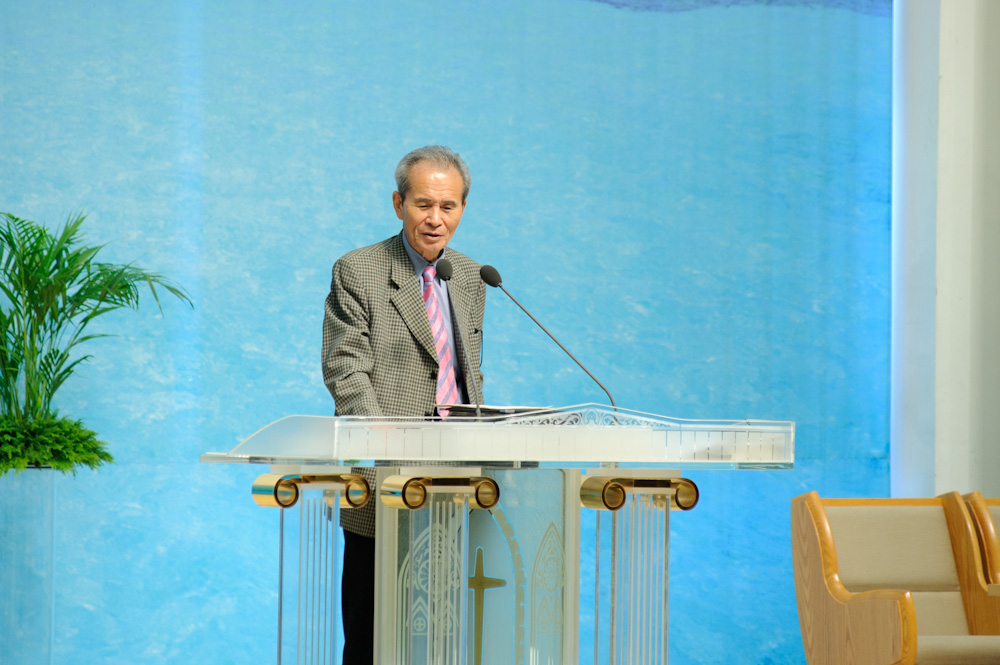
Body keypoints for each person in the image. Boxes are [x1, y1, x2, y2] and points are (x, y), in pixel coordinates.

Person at [321, 145, 486, 664]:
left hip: (458, 486)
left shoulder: (470, 276)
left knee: (442, 642)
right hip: (386, 484)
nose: (436, 219)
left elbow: (464, 374)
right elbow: (346, 371)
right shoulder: (358, 270)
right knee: (372, 642)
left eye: (448, 206)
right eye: (423, 204)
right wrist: (389, 449)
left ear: (462, 209)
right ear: (399, 204)